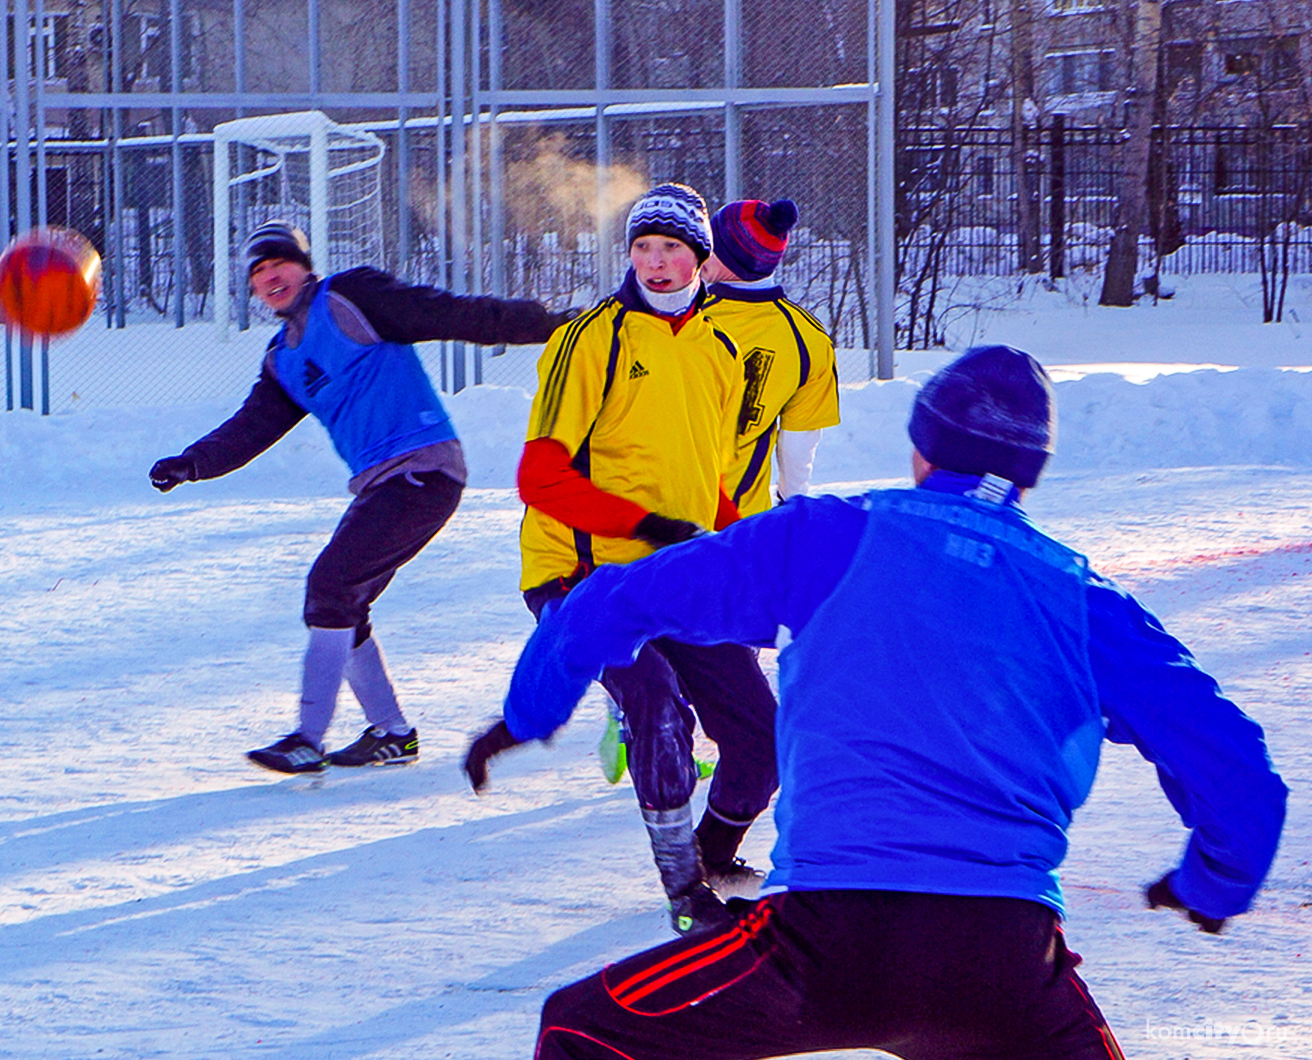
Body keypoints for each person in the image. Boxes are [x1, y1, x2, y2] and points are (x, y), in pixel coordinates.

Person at [470, 345, 1287, 1060]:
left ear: (921, 449)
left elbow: (610, 601)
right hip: (1003, 964)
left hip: (827, 943)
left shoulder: (822, 537)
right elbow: (1235, 761)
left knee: (581, 1031)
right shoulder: (1084, 602)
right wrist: (1213, 885)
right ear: (1030, 473)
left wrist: (530, 711)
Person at [149, 221, 574, 774]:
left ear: (304, 266)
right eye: (257, 271)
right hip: (384, 484)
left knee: (330, 586)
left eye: (279, 262)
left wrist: (553, 326)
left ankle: (308, 737)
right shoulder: (283, 358)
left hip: (424, 471)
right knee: (343, 603)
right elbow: (250, 428)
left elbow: (452, 313)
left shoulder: (353, 299)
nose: (270, 276)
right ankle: (392, 733)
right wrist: (193, 463)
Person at [494, 182, 781, 936]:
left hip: (677, 579)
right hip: (582, 577)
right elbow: (540, 477)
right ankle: (687, 895)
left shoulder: (721, 351)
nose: (655, 264)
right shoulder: (590, 340)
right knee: (657, 711)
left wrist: (747, 561)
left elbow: (709, 482)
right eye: (643, 249)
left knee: (763, 736)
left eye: (671, 249)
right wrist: (648, 526)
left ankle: (713, 854)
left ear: (701, 259)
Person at [696, 199, 840, 518]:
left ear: (733, 257)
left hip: (657, 520)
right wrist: (790, 503)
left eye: (711, 243)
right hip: (741, 526)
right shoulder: (807, 338)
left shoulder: (682, 318)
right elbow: (798, 444)